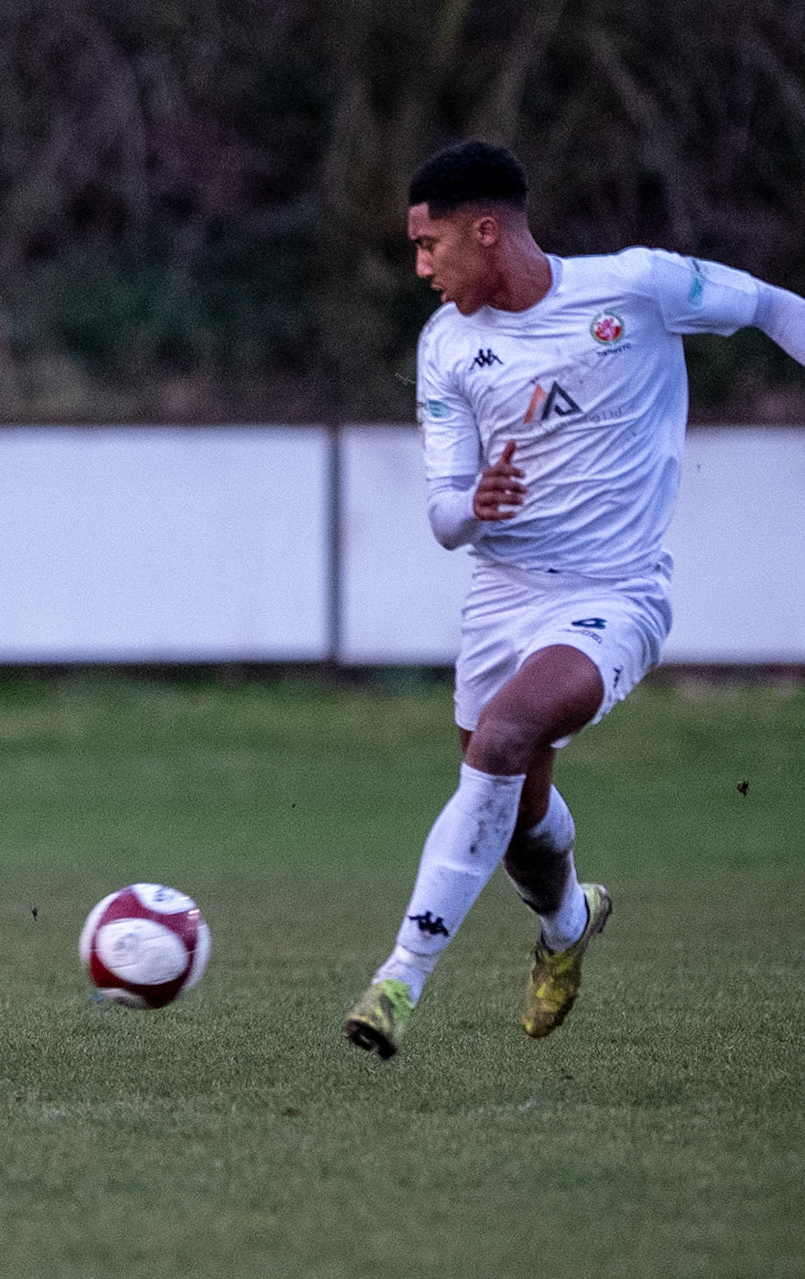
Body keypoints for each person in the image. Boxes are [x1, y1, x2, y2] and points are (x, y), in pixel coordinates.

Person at [344, 140, 805, 1058]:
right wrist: (475, 505)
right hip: (500, 597)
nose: (421, 266)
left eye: (429, 244)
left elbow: (773, 307)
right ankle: (566, 923)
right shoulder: (449, 346)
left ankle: (398, 978)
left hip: (614, 593)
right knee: (516, 814)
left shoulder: (636, 288)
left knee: (509, 739)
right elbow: (443, 515)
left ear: (485, 231)